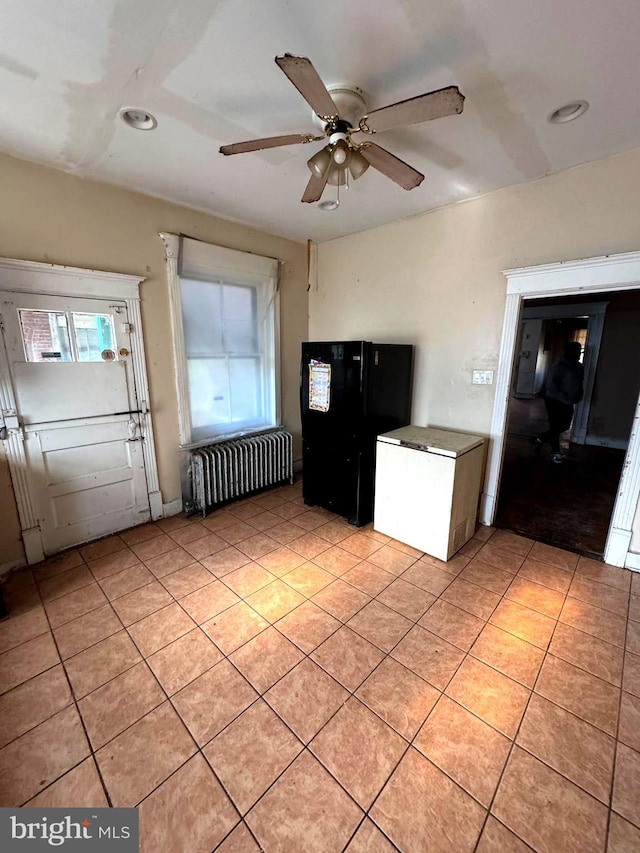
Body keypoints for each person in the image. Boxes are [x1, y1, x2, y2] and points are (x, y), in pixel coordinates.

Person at [534, 340, 584, 463]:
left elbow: (579, 383)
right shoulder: (559, 365)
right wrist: (564, 397)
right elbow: (551, 385)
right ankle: (555, 451)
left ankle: (540, 438)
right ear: (568, 352)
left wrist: (577, 395)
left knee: (565, 425)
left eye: (580, 351)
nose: (579, 354)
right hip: (554, 400)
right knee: (555, 425)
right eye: (576, 352)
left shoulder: (578, 366)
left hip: (569, 401)